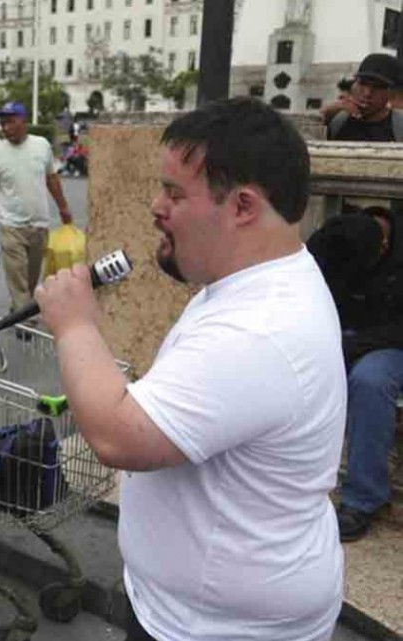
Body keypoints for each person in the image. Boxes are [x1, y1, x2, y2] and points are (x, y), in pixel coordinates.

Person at [35, 98, 344, 641]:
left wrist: (76, 325)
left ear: (244, 206)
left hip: (220, 629)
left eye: (175, 193)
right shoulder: (256, 281)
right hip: (192, 612)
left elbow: (118, 435)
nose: (155, 206)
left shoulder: (259, 329)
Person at [307, 206, 403, 542]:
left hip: (392, 343)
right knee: (300, 368)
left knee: (370, 381)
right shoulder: (339, 240)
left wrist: (351, 345)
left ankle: (363, 498)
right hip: (345, 335)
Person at [0, 102, 74, 311]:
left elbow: (52, 178)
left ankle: (19, 309)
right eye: (3, 123)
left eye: (10, 122)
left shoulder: (42, 146)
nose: (5, 127)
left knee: (30, 278)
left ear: (24, 121)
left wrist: (63, 208)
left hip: (39, 224)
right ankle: (26, 321)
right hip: (10, 226)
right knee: (17, 279)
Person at [323, 54, 402, 142]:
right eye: (362, 83)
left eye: (377, 87)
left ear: (390, 93)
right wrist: (325, 113)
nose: (367, 93)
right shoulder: (339, 122)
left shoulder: (398, 126)